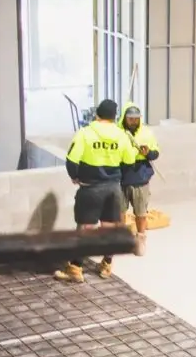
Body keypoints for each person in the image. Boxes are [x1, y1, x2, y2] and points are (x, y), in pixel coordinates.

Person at [58, 98, 137, 283]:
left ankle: (76, 268)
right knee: (109, 228)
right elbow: (130, 162)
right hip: (112, 189)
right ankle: (106, 264)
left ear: (97, 114)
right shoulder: (121, 136)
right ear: (114, 117)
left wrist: (75, 176)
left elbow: (71, 160)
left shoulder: (85, 133)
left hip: (90, 189)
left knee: (85, 228)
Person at [119, 103, 159, 256]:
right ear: (125, 118)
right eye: (130, 119)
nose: (134, 122)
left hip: (140, 176)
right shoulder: (118, 133)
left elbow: (156, 153)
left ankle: (141, 240)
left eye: (136, 119)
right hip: (121, 176)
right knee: (120, 211)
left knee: (141, 212)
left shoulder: (147, 133)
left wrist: (148, 152)